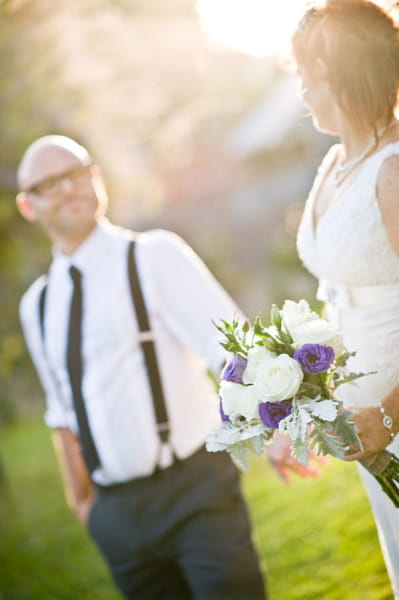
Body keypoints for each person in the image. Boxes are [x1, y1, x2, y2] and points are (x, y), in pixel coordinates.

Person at [16, 134, 318, 599]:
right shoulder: (37, 306)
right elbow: (62, 414)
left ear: (97, 179)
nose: (67, 189)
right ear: (28, 206)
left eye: (76, 173)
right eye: (49, 184)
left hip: (195, 494)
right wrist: (85, 507)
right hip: (117, 518)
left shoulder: (153, 255)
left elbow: (233, 349)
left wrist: (276, 427)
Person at [293, 0, 399, 595]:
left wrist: (388, 415)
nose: (301, 87)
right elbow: (333, 290)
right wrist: (294, 387)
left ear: (337, 73)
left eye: (307, 71)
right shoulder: (335, 161)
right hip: (364, 423)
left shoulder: (393, 171)